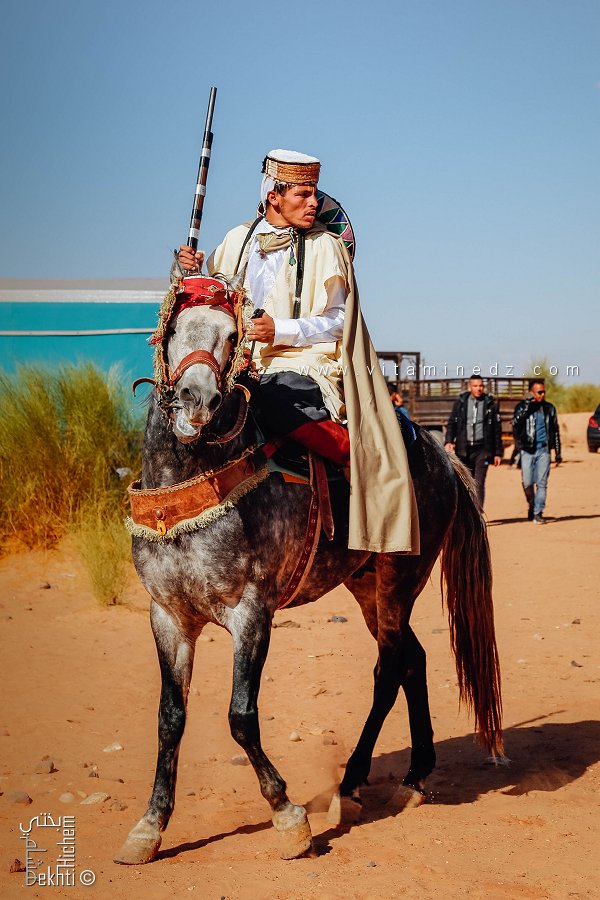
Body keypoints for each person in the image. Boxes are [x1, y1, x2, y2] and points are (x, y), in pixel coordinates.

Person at [176, 149, 418, 554]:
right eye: (303, 195)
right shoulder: (237, 240)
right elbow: (213, 304)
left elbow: (341, 320)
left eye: (314, 194)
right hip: (240, 362)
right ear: (275, 196)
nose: (313, 204)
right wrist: (193, 272)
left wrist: (280, 330)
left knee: (269, 397)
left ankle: (356, 457)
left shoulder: (326, 246)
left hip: (304, 364)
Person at [444, 374, 502, 506]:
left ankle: (478, 513)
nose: (478, 388)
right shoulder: (461, 403)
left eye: (481, 386)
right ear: (470, 387)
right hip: (463, 449)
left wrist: (498, 452)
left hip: (483, 449)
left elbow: (496, 429)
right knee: (464, 483)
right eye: (475, 386)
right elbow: (452, 422)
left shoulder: (490, 404)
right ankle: (466, 514)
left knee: (479, 483)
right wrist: (449, 441)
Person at [512, 379, 562, 524]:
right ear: (531, 392)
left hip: (544, 450)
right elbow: (515, 424)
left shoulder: (549, 408)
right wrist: (527, 407)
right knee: (527, 482)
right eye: (539, 392)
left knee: (542, 483)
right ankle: (532, 504)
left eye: (544, 391)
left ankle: (538, 512)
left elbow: (556, 430)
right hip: (527, 450)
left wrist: (558, 452)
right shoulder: (522, 407)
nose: (542, 394)